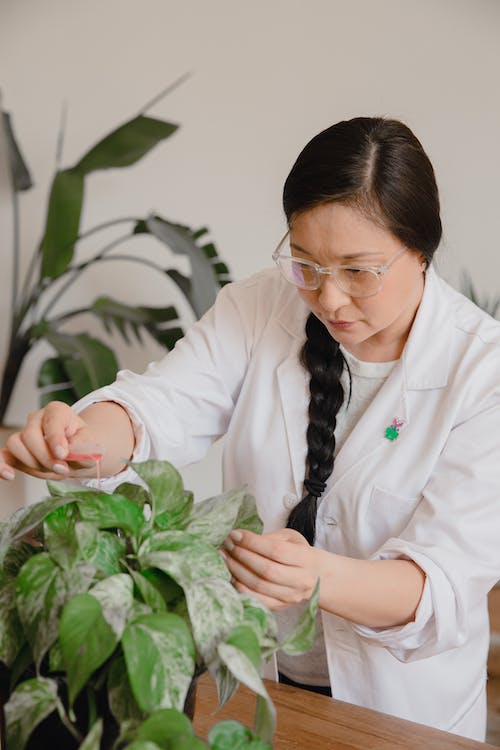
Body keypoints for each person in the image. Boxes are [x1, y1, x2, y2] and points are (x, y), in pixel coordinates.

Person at [2, 116, 500, 741]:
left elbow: (439, 585)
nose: (330, 298)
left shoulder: (483, 372)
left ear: (422, 250)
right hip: (253, 685)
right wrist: (76, 441)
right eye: (306, 264)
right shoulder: (260, 306)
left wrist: (316, 576)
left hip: (400, 714)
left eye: (358, 271)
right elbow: (161, 405)